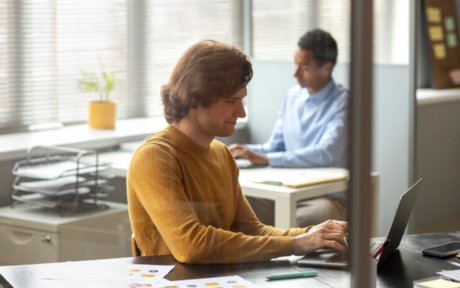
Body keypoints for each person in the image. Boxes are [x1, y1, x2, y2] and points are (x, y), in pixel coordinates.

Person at [127, 40, 347, 264]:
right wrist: (296, 244)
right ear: (196, 96)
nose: (241, 113)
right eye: (231, 100)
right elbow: (191, 246)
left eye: (241, 100)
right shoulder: (154, 157)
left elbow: (252, 231)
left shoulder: (221, 154)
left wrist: (312, 236)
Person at [229, 29, 349, 227]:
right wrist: (243, 151)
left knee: (302, 222)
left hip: (324, 196)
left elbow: (325, 153)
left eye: (304, 66)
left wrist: (266, 158)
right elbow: (275, 145)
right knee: (233, 207)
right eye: (295, 62)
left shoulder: (344, 103)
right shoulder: (293, 96)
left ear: (327, 67)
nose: (295, 72)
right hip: (285, 190)